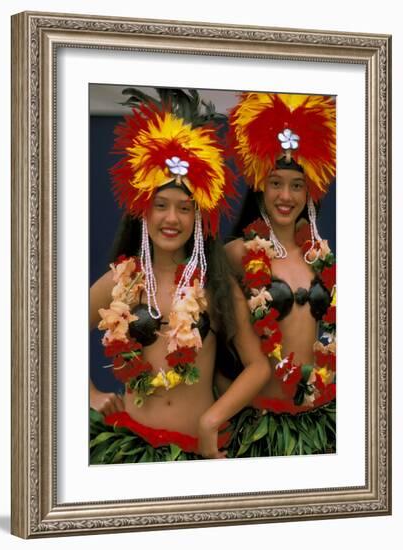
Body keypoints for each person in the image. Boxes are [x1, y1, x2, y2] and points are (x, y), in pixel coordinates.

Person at [89, 89, 270, 463]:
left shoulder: (215, 286)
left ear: (199, 218)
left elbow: (258, 366)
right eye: (161, 206)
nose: (171, 219)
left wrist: (212, 419)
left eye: (184, 209)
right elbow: (47, 335)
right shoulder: (121, 282)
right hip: (128, 447)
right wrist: (89, 395)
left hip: (194, 453)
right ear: (143, 211)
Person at [220, 92, 337, 457]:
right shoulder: (238, 254)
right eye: (275, 182)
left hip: (320, 419)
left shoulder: (321, 256)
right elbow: (207, 340)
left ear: (310, 191)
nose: (286, 195)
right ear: (260, 186)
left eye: (296, 185)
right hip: (259, 425)